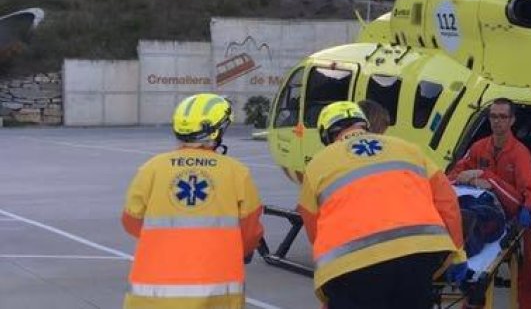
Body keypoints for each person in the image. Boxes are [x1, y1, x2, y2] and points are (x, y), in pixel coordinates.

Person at [297, 101, 466, 309]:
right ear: (364, 124)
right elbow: (447, 201)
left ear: (327, 134)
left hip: (354, 268)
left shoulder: (318, 165)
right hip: (417, 256)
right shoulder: (408, 149)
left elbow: (314, 227)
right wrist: (457, 253)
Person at [121, 93, 264, 308]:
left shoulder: (152, 169)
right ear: (217, 131)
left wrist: (167, 243)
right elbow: (251, 232)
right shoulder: (236, 173)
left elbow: (130, 222)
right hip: (215, 297)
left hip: (152, 298)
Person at [447, 98, 531, 309]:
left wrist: (486, 177)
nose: (497, 121)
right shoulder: (479, 147)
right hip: (481, 214)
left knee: (528, 274)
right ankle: (471, 300)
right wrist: (471, 179)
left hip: (511, 214)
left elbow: (528, 191)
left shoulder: (520, 153)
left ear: (512, 120)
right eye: (494, 116)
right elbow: (453, 175)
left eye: (503, 117)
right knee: (472, 261)